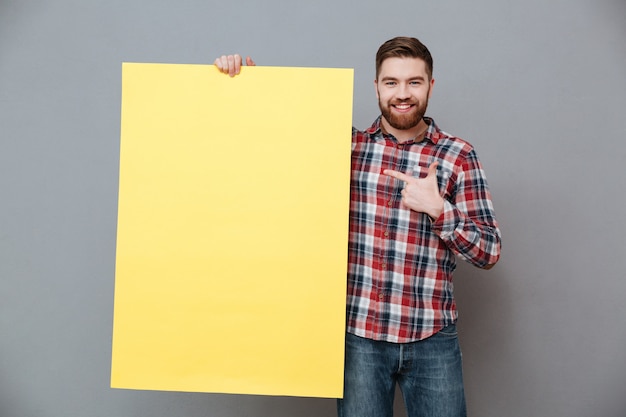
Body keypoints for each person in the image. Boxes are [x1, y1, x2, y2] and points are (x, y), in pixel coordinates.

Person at [214, 36, 501, 417]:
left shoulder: (458, 155)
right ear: (376, 86)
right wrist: (246, 84)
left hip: (432, 337)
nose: (403, 93)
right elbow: (270, 142)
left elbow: (489, 251)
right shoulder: (345, 146)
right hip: (358, 339)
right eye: (391, 82)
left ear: (430, 86)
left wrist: (440, 210)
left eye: (414, 82)